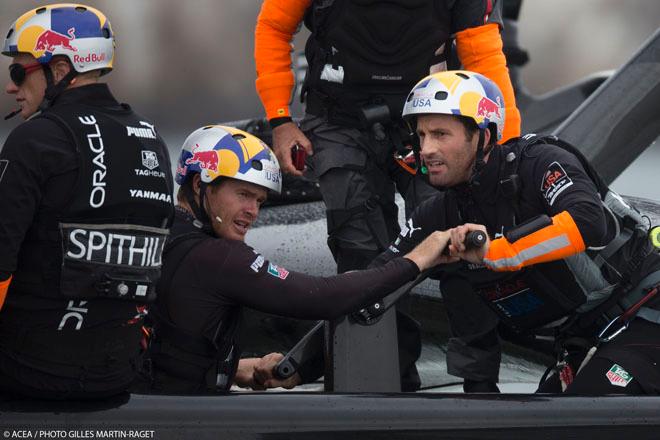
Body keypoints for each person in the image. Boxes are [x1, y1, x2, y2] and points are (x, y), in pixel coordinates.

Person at [372, 69, 660, 394]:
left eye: (440, 134)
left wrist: (498, 252)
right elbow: (376, 278)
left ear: (484, 136)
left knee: (576, 420)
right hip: (588, 336)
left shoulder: (539, 162)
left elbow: (589, 221)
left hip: (646, 315)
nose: (426, 149)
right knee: (537, 422)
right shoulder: (442, 212)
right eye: (421, 136)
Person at [141, 125, 456, 394]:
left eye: (260, 201)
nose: (253, 212)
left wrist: (232, 367)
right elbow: (323, 297)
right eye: (243, 195)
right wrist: (416, 261)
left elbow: (170, 342)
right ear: (200, 185)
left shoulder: (161, 235)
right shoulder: (214, 257)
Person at [255, 0, 521, 273]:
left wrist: (508, 149)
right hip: (338, 119)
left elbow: (483, 54)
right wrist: (280, 121)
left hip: (429, 117)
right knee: (358, 248)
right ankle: (373, 313)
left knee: (451, 236)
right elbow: (274, 28)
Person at [0, 4, 173, 399]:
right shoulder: (152, 139)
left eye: (18, 72)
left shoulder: (36, 139)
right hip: (116, 375)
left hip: (27, 370)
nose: (11, 87)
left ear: (60, 70)